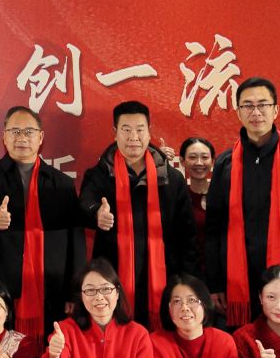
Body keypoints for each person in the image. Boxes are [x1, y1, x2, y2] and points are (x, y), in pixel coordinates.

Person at [204, 78, 280, 328]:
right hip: (238, 274)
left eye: (263, 105)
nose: (255, 112)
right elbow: (213, 227)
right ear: (238, 112)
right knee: (243, 341)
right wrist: (214, 283)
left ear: (275, 110)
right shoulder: (225, 163)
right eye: (248, 105)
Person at [80, 101, 198, 327]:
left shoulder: (172, 179)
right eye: (126, 129)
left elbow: (187, 235)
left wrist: (187, 280)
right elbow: (85, 203)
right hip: (113, 277)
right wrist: (96, 214)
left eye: (139, 129)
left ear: (149, 131)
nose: (133, 136)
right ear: (115, 132)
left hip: (164, 275)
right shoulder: (100, 174)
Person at [0, 106, 86, 336]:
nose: (21, 137)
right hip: (4, 286)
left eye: (28, 132)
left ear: (40, 137)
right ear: (4, 136)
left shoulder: (61, 182)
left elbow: (76, 240)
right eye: (15, 131)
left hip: (53, 284)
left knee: (52, 348)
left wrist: (74, 292)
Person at [178, 136, 215, 247]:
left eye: (205, 157)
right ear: (182, 161)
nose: (199, 162)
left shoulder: (222, 195)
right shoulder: (178, 198)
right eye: (193, 157)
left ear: (212, 161)